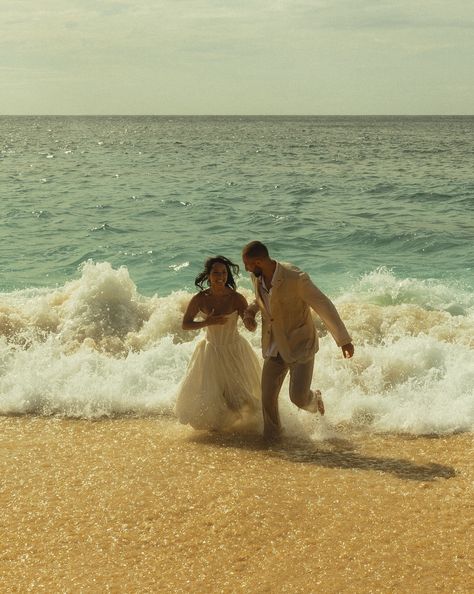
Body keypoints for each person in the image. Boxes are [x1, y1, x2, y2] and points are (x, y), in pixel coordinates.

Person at [241, 241, 354, 440]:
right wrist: (251, 311)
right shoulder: (256, 276)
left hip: (300, 344)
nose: (246, 268)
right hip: (274, 345)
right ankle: (273, 437)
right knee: (267, 397)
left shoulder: (296, 278)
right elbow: (262, 299)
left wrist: (343, 339)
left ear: (258, 262)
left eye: (247, 264)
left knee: (299, 398)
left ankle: (315, 399)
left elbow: (323, 304)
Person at [175, 256, 261, 431]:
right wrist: (208, 322)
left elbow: (249, 325)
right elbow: (186, 324)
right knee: (213, 396)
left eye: (223, 273)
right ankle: (220, 430)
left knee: (241, 395)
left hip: (234, 350)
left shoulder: (237, 298)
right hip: (211, 351)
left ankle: (245, 427)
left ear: (227, 275)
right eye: (215, 273)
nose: (220, 276)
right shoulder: (200, 298)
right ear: (208, 276)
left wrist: (252, 322)